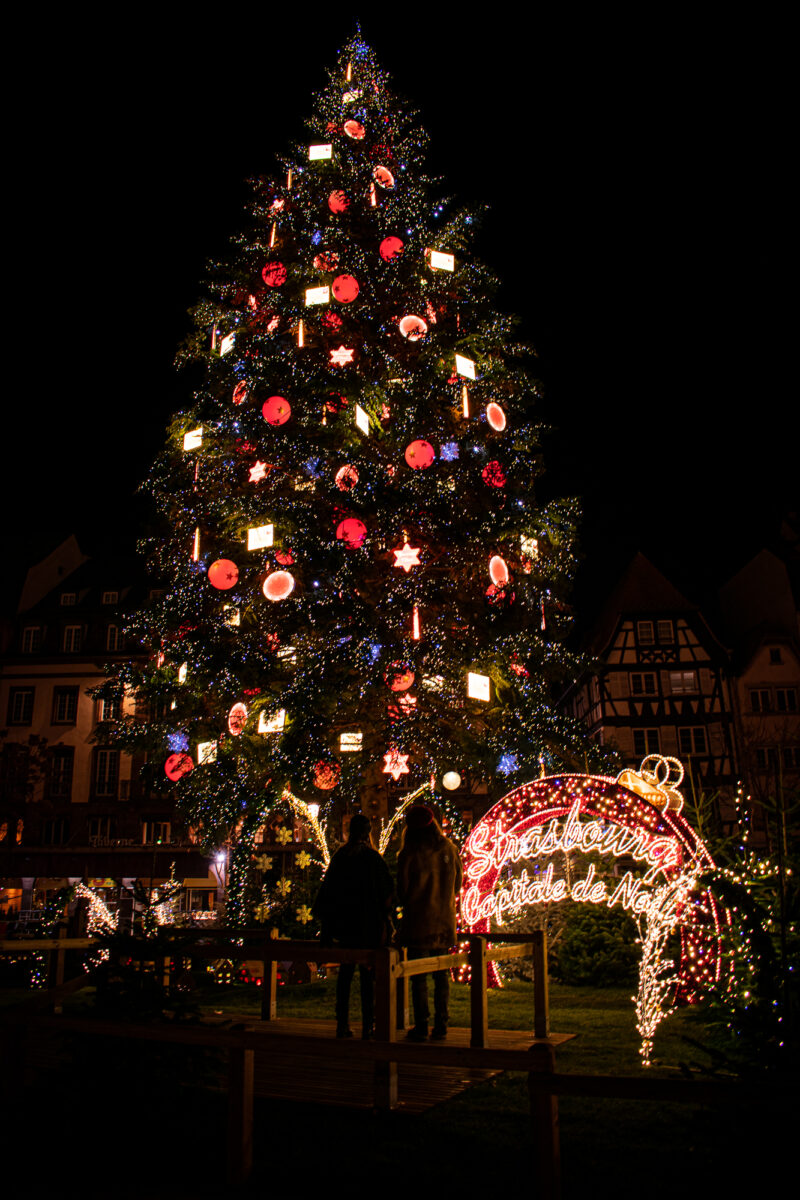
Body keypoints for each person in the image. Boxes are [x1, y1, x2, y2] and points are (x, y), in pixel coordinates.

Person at [312, 813, 394, 1039]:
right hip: (367, 926)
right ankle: (369, 1024)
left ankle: (343, 1022)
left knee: (345, 975)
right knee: (367, 977)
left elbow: (328, 891)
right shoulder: (373, 859)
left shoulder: (341, 857)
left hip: (346, 925)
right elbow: (387, 892)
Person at [396, 804, 463, 1041]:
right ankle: (442, 1023)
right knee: (442, 976)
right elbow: (458, 885)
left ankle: (422, 1024)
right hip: (444, 922)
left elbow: (402, 892)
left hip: (418, 923)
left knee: (419, 977)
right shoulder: (450, 849)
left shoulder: (409, 853)